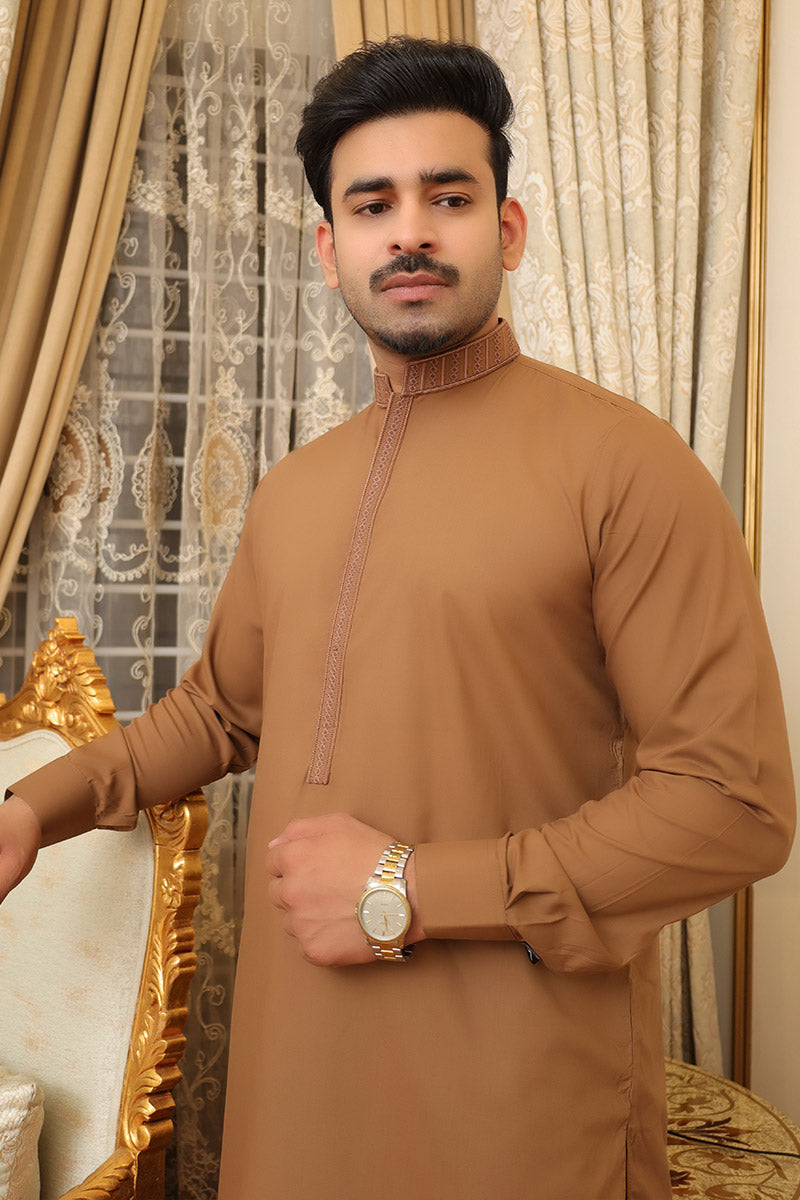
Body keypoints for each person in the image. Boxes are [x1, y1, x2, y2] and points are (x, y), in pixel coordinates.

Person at [0, 35, 794, 1200]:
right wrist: (32, 809)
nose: (409, 231)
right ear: (330, 249)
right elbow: (221, 714)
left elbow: (731, 808)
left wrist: (408, 889)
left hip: (518, 1094)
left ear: (506, 230)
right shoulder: (295, 490)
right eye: (372, 204)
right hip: (296, 1076)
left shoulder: (626, 465)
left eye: (447, 197)